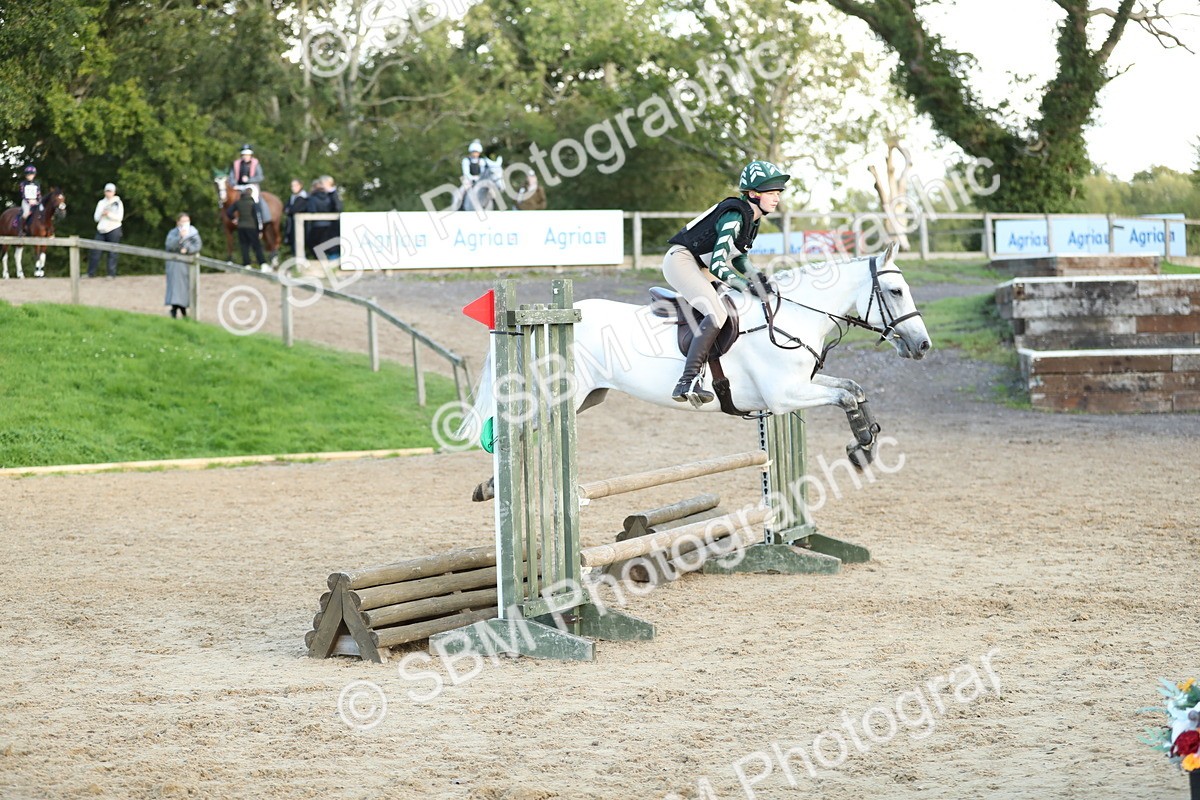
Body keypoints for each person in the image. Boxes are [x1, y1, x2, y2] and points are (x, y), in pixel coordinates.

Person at [662, 159, 790, 406]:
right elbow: (719, 265)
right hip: (682, 261)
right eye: (771, 193)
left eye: (778, 194)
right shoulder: (734, 217)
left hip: (700, 264)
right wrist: (746, 285)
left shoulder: (752, 218)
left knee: (738, 305)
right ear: (753, 194)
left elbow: (739, 257)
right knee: (717, 313)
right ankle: (687, 380)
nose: (776, 198)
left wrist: (757, 278)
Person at [164, 213, 201, 318]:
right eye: (183, 221)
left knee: (185, 288)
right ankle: (175, 309)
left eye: (187, 221)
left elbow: (197, 246)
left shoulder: (193, 233)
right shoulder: (173, 233)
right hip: (175, 265)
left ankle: (182, 310)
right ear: (178, 222)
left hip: (187, 266)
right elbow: (169, 245)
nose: (185, 223)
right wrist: (179, 238)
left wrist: (188, 249)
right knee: (175, 288)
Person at [87, 183, 124, 279]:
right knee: (95, 251)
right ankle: (90, 273)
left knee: (112, 252)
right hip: (101, 229)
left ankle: (111, 274)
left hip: (114, 229)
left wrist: (109, 214)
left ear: (114, 192)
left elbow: (119, 218)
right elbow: (96, 218)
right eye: (107, 191)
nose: (108, 193)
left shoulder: (118, 203)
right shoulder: (101, 203)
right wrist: (102, 214)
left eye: (110, 191)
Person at [227, 188, 267, 269]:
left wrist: (234, 219)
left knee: (244, 246)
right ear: (250, 194)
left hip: (241, 227)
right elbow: (257, 217)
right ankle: (262, 264)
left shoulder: (238, 203)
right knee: (257, 246)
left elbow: (229, 212)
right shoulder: (253, 203)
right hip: (251, 227)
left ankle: (246, 264)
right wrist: (260, 230)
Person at [305, 175, 342, 258]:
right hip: (329, 224)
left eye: (322, 183)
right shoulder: (328, 195)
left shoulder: (333, 194)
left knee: (328, 246)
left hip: (329, 225)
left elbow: (338, 208)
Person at [230, 144, 270, 222]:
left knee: (256, 199)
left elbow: (260, 177)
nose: (245, 156)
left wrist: (249, 179)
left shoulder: (255, 163)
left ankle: (260, 218)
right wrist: (234, 182)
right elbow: (231, 177)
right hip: (238, 186)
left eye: (247, 155)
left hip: (251, 186)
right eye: (244, 154)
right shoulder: (236, 163)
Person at [283, 179, 308, 257]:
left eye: (295, 186)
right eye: (292, 186)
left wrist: (289, 210)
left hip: (300, 224)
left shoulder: (303, 197)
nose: (292, 188)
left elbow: (294, 209)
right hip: (292, 223)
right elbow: (285, 208)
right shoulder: (292, 197)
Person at [18, 165, 41, 235]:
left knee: (43, 211)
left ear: (34, 175)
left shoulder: (37, 183)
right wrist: (29, 201)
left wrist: (38, 200)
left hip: (35, 201)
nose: (29, 176)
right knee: (26, 213)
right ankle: (21, 230)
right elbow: (22, 194)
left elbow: (38, 194)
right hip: (26, 202)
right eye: (28, 174)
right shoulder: (23, 184)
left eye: (31, 174)